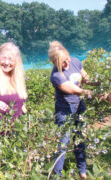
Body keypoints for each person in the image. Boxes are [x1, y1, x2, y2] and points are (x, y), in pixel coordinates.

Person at [49, 41, 93, 179]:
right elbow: (73, 89)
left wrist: (99, 82)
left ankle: (83, 171)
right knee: (63, 141)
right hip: (64, 110)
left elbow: (86, 78)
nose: (67, 64)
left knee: (80, 138)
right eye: (63, 62)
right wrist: (91, 93)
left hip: (80, 106)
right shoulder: (56, 75)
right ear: (55, 63)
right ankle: (58, 175)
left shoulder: (75, 62)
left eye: (67, 59)